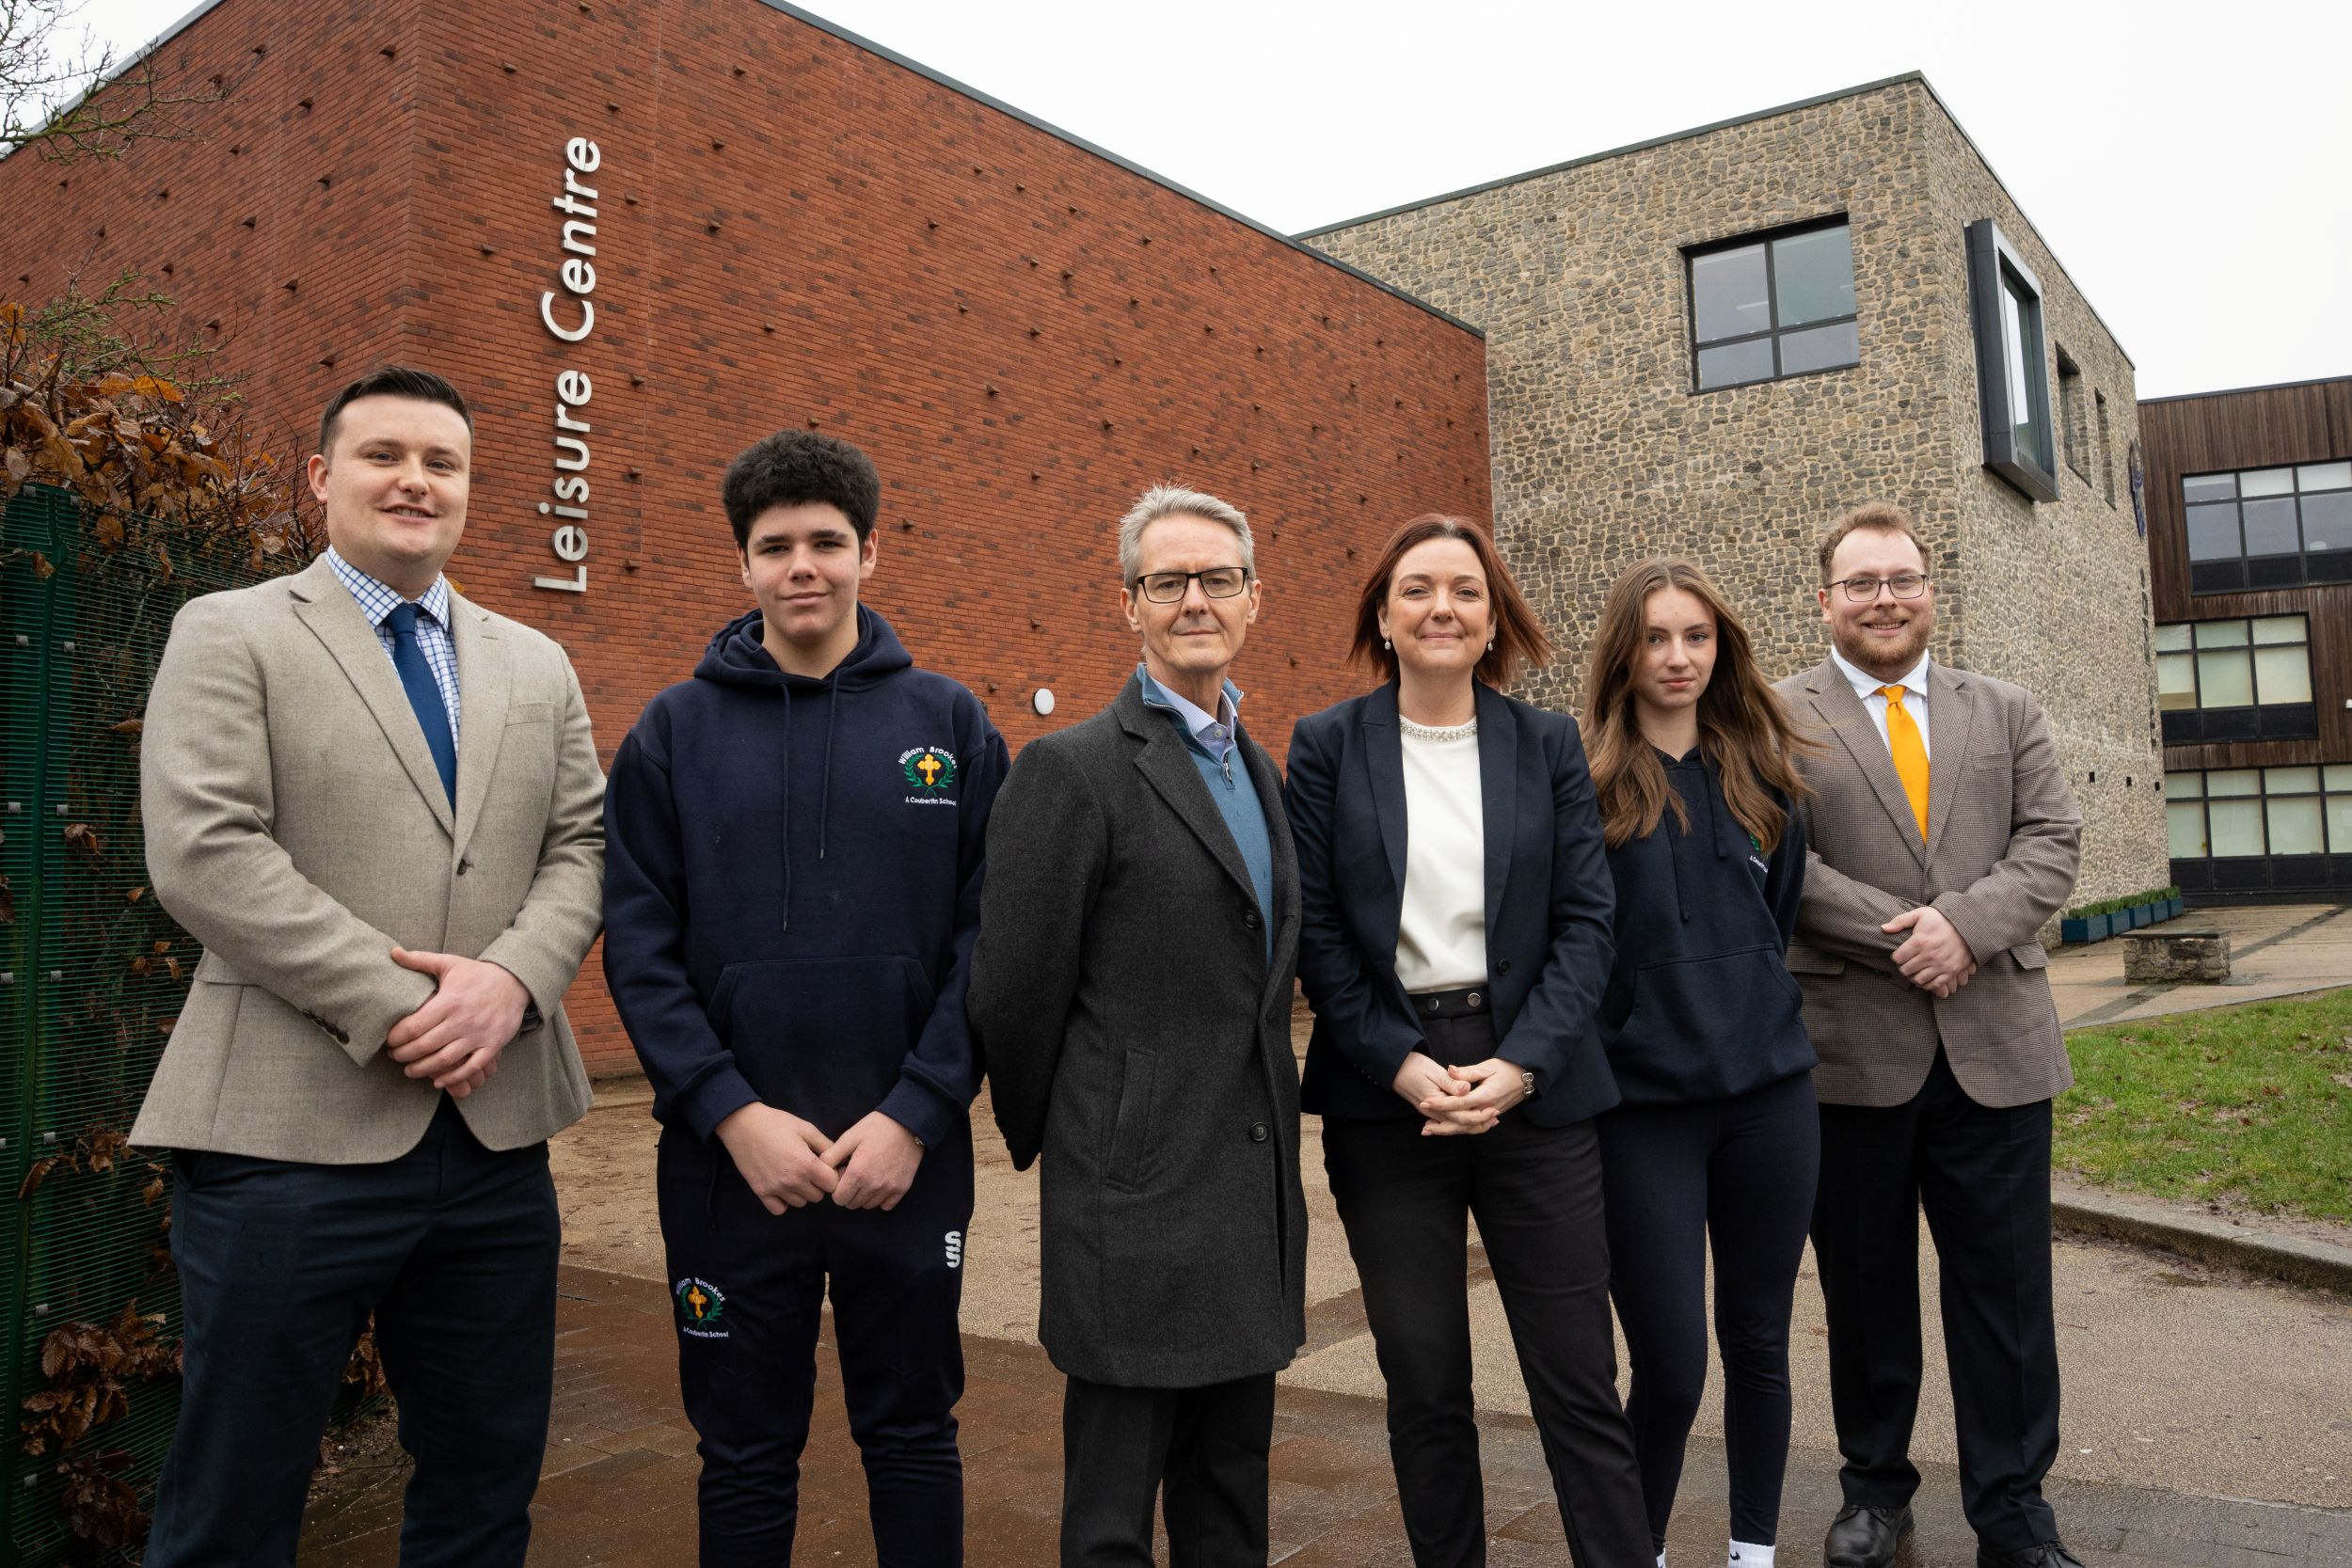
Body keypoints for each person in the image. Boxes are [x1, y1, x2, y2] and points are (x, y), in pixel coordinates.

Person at [130, 365, 607, 1566]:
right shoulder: (230, 630)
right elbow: (205, 850)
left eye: (441, 462)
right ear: (320, 478)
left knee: (484, 1479)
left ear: (466, 488)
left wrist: (509, 982)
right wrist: (409, 1004)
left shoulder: (535, 662)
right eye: (384, 454)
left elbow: (582, 846)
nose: (414, 480)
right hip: (285, 1138)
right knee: (237, 1492)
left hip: (496, 1140)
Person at [600, 429, 1008, 1567]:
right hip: (730, 1173)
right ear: (741, 564)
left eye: (828, 541)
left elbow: (992, 940)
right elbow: (638, 944)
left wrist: (918, 1111)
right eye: (774, 545)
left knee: (914, 1433)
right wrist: (731, 1112)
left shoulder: (952, 723)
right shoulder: (672, 734)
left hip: (906, 1164)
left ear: (871, 549)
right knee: (740, 1448)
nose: (803, 566)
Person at [1282, 513, 1650, 1568]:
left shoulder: (1545, 746)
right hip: (1383, 1082)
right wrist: (1399, 1063)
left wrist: (1522, 1059)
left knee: (1577, 1375)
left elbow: (1588, 921)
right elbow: (1318, 933)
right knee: (1424, 1373)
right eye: (1416, 590)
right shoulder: (1325, 744)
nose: (1441, 606)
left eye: (1465, 590)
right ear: (1383, 618)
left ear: (1494, 621)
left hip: (1532, 1074)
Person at [969, 484, 1305, 1568]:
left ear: (1254, 598)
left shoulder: (1262, 769)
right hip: (1130, 1204)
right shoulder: (1070, 771)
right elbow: (1013, 992)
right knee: (1112, 1523)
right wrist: (1090, 1140)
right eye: (1168, 581)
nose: (1194, 599)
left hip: (1245, 1199)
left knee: (1228, 1505)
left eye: (1217, 578)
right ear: (1130, 605)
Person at [1778, 503, 2085, 1568]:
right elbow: (1777, 863)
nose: (1883, 598)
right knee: (1864, 1293)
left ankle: (2013, 1509)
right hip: (1849, 1056)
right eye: (1859, 582)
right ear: (1824, 600)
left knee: (2003, 1296)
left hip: (1996, 1049)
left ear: (1928, 590)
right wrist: (1913, 935)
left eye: (1900, 578)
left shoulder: (2005, 708)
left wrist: (1968, 925)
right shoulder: (1773, 717)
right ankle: (1875, 1492)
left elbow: (2051, 840)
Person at [1579, 559, 1820, 1568]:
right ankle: (1639, 1551)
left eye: (1697, 636)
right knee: (1671, 1365)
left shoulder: (1766, 778)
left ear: (1720, 648)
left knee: (1759, 1344)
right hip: (1645, 1113)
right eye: (1657, 637)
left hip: (1770, 1102)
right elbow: (1579, 947)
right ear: (1623, 654)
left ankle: (1750, 1551)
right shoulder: (1583, 789)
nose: (1678, 656)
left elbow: (1778, 917)